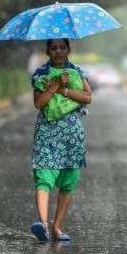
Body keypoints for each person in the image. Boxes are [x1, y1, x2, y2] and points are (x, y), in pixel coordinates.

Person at [29, 38, 92, 242]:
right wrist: (54, 86)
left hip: (72, 134)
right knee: (44, 175)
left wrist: (65, 89)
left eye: (62, 47)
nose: (58, 51)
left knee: (68, 181)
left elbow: (87, 97)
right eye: (54, 48)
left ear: (68, 49)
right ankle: (44, 225)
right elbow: (39, 103)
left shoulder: (77, 71)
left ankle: (57, 226)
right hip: (47, 132)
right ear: (47, 51)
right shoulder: (40, 74)